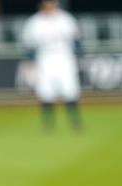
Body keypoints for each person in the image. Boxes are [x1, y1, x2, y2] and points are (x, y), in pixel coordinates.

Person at [21, 0, 83, 130]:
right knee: (45, 91)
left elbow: (77, 40)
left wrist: (79, 57)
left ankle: (75, 121)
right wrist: (29, 61)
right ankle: (48, 122)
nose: (50, 7)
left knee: (70, 90)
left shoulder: (65, 19)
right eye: (47, 4)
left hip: (64, 56)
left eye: (52, 4)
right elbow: (28, 45)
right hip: (44, 58)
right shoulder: (35, 22)